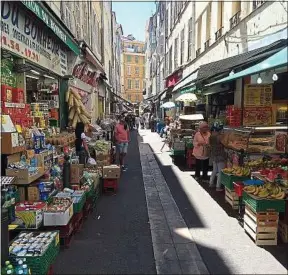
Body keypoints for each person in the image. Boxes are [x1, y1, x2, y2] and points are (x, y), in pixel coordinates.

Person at [209, 123, 226, 191]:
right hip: (220, 156)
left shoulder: (211, 137)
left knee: (214, 171)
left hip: (214, 155)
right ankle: (218, 187)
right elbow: (225, 143)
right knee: (220, 172)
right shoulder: (219, 137)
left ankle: (211, 183)